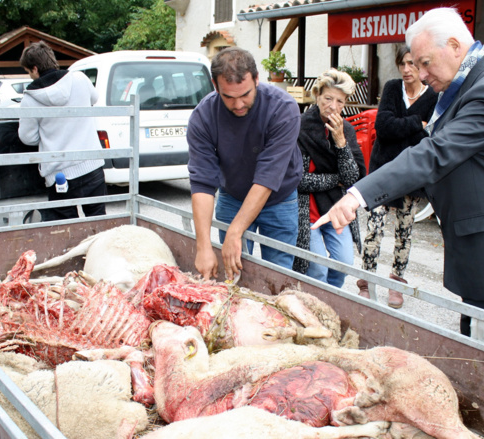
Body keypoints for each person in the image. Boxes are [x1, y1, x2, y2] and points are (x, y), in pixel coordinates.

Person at [313, 7, 484, 355]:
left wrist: (358, 195)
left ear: (454, 46)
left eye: (425, 62)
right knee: (476, 343)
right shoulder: (469, 84)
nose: (420, 74)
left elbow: (434, 154)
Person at [187, 47, 302, 281]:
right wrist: (203, 246)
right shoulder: (203, 116)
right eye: (228, 97)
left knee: (277, 277)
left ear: (257, 79)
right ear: (215, 85)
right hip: (233, 195)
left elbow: (268, 177)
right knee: (233, 275)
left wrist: (235, 231)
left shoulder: (283, 109)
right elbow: (202, 182)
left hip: (278, 198)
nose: (238, 104)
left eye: (245, 94)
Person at [356, 45, 437, 308]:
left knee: (404, 230)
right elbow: (383, 127)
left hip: (412, 174)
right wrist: (415, 124)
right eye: (402, 63)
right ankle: (367, 280)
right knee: (374, 228)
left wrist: (403, 128)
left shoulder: (433, 96)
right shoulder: (393, 88)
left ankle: (396, 282)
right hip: (382, 170)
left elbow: (428, 136)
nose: (406, 69)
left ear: (422, 66)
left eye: (412, 63)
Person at [292, 69, 366, 288]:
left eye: (340, 101)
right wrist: (335, 180)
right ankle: (317, 303)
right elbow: (299, 180)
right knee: (316, 269)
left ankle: (330, 300)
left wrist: (340, 142)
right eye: (328, 98)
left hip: (337, 208)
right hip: (307, 211)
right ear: (317, 96)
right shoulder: (299, 127)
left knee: (343, 264)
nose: (333, 106)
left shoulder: (346, 130)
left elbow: (353, 178)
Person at [18, 41, 107, 222]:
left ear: (35, 68)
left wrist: (48, 134)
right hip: (91, 166)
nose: (30, 77)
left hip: (59, 174)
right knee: (98, 222)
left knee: (65, 228)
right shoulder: (80, 79)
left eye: (29, 72)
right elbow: (94, 98)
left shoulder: (30, 99)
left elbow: (27, 137)